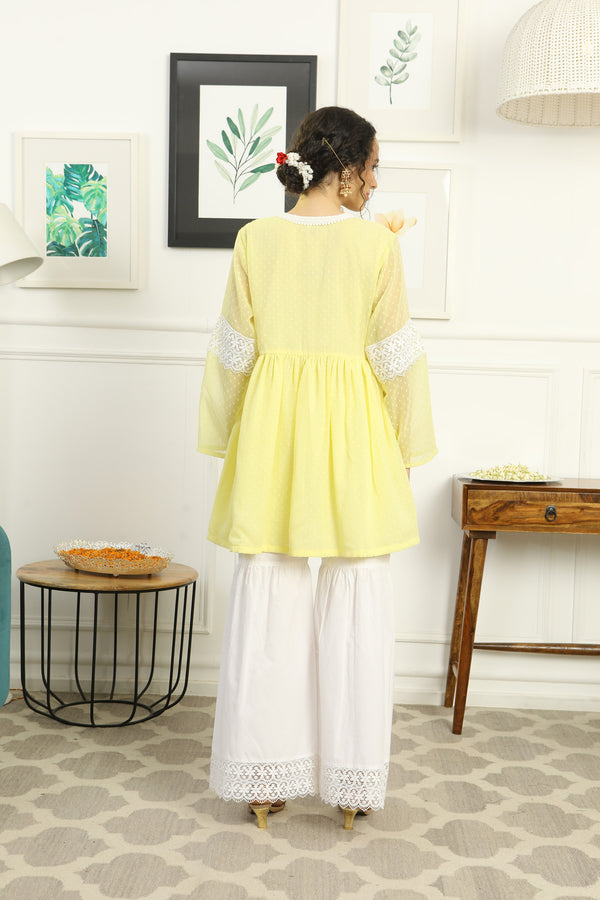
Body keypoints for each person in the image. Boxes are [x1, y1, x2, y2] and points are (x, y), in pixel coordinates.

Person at [197, 106, 436, 830]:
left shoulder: (255, 239)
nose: (377, 182)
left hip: (272, 435)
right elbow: (396, 357)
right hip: (355, 433)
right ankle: (352, 782)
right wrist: (405, 448)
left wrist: (227, 437)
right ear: (350, 170)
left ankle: (263, 777)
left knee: (268, 593)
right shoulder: (375, 247)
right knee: (357, 593)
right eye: (374, 167)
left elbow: (234, 352)